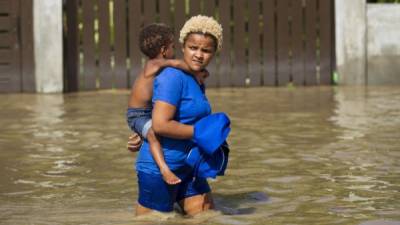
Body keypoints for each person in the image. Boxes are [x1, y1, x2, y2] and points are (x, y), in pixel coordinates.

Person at [135, 15, 224, 216]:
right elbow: (161, 125)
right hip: (160, 170)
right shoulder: (172, 77)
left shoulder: (197, 78)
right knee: (154, 220)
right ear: (183, 47)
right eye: (193, 47)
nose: (199, 55)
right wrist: (201, 132)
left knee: (206, 217)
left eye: (206, 50)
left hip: (191, 167)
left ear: (214, 53)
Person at [127, 23, 207, 185]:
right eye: (172, 47)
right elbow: (177, 63)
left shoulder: (156, 68)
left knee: (151, 132)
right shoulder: (154, 64)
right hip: (137, 114)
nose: (174, 50)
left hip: (146, 112)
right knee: (153, 134)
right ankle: (164, 169)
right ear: (163, 50)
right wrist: (197, 71)